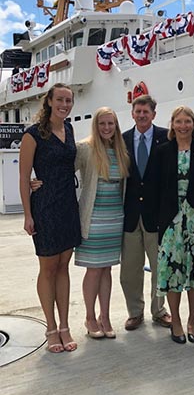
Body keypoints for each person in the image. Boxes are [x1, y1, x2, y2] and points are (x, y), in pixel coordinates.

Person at [19, 83, 81, 353]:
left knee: (64, 266)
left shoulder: (69, 129)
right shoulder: (33, 134)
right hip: (44, 205)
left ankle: (65, 325)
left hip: (68, 204)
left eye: (68, 100)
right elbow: (23, 177)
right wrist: (27, 214)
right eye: (60, 100)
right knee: (48, 268)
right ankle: (51, 327)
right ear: (49, 102)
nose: (64, 105)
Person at [156, 106, 194, 344]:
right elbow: (154, 188)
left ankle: (192, 319)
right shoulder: (162, 151)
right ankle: (177, 322)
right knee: (172, 273)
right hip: (172, 224)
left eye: (188, 121)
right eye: (179, 122)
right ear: (172, 124)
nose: (183, 126)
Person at [74, 108, 130, 339]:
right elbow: (62, 171)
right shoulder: (85, 148)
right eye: (102, 124)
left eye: (111, 124)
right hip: (94, 218)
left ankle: (104, 317)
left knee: (107, 268)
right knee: (94, 269)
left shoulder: (120, 150)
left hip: (115, 218)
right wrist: (35, 181)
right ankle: (89, 317)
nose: (107, 128)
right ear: (95, 126)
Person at [121, 95, 171, 331]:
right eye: (138, 111)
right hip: (130, 215)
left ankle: (159, 310)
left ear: (154, 113)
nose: (142, 115)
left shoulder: (166, 137)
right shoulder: (122, 140)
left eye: (146, 111)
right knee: (130, 269)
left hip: (156, 215)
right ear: (132, 113)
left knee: (159, 268)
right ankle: (135, 312)